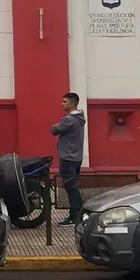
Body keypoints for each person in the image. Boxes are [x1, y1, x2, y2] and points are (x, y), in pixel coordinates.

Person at [50, 92, 86, 226]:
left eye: (64, 102)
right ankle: (80, 214)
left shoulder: (69, 119)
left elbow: (54, 130)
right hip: (76, 157)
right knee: (74, 187)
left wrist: (55, 125)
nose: (62, 104)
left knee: (71, 188)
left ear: (72, 104)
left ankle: (75, 216)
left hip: (68, 158)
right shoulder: (80, 118)